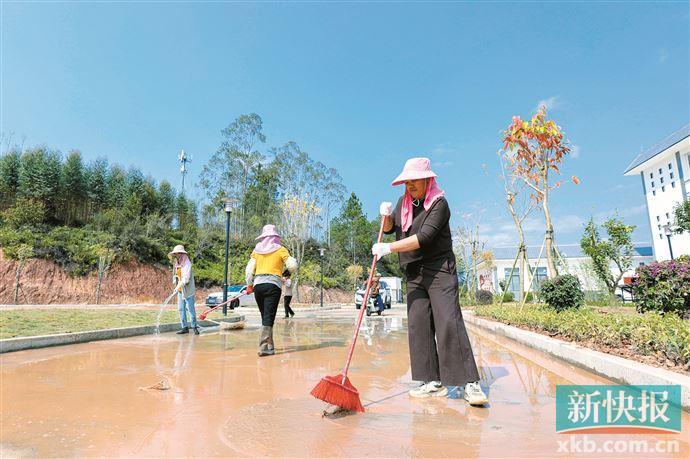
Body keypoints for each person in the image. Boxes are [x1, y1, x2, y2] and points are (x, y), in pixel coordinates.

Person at [371, 157, 488, 406]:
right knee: (419, 325)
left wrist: (387, 248)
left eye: (413, 180)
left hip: (439, 270)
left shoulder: (439, 204)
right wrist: (386, 216)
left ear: (427, 180)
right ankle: (432, 382)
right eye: (406, 181)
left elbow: (422, 238)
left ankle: (470, 382)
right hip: (414, 272)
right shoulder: (405, 202)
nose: (409, 185)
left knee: (448, 321)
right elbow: (392, 227)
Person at [245, 224, 297, 356]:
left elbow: (249, 269)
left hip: (258, 286)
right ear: (275, 237)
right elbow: (293, 264)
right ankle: (263, 348)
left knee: (265, 317)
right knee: (268, 317)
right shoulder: (281, 249)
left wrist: (249, 284)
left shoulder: (256, 251)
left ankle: (270, 347)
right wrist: (287, 272)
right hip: (273, 285)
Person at [169, 245, 199, 335]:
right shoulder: (176, 262)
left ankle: (194, 327)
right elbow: (175, 273)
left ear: (181, 253)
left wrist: (181, 284)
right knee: (181, 308)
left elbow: (186, 277)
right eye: (175, 253)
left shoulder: (187, 263)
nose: (176, 254)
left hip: (188, 289)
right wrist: (175, 283)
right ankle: (184, 327)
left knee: (190, 309)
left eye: (177, 253)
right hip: (180, 289)